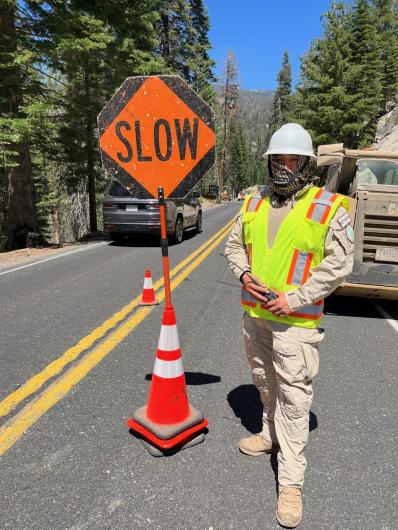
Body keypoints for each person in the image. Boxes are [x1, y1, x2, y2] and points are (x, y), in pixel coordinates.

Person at [225, 123, 354, 528]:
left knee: (295, 403)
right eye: (276, 159)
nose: (282, 167)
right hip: (255, 318)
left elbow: (339, 264)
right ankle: (269, 434)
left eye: (290, 159)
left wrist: (294, 298)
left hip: (295, 325)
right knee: (265, 384)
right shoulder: (252, 203)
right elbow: (232, 246)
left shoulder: (327, 207)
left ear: (306, 165)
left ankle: (292, 484)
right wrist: (245, 276)